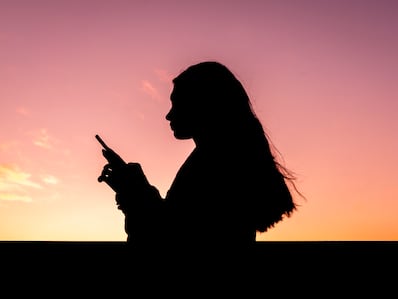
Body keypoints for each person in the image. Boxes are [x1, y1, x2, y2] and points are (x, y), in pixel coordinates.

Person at [98, 61, 301, 250]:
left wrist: (134, 191)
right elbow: (173, 225)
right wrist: (133, 189)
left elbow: (166, 240)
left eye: (177, 103)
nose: (169, 115)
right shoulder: (224, 158)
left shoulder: (213, 164)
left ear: (203, 104)